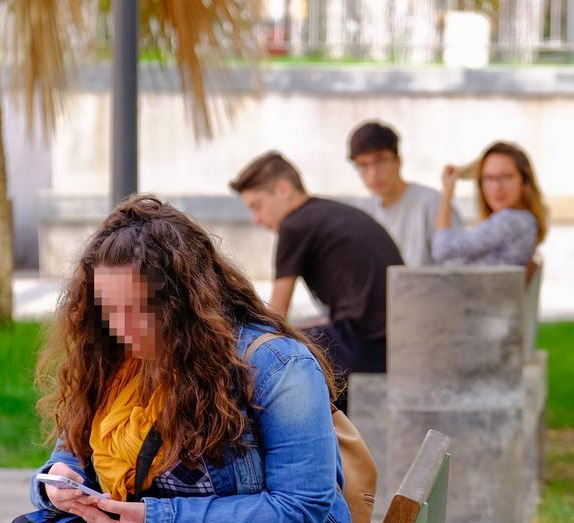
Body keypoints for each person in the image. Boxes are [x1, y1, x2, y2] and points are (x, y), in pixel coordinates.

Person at [0, 195, 359, 523]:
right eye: (109, 310)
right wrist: (59, 479)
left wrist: (152, 520)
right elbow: (74, 448)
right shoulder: (116, 359)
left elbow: (300, 507)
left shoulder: (275, 364)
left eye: (139, 310)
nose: (122, 328)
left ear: (185, 301)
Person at [229, 151, 404, 412]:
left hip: (366, 345)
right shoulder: (324, 213)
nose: (256, 219)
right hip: (393, 340)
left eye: (257, 206)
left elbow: (274, 316)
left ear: (284, 189)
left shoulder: (295, 225)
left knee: (261, 353)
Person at [347, 120, 462, 266]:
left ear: (398, 160)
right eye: (363, 165)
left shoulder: (432, 203)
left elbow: (457, 265)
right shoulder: (363, 212)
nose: (373, 173)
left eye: (380, 160)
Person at [432, 141, 547, 266]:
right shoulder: (527, 221)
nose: (497, 186)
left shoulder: (508, 221)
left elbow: (441, 249)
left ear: (524, 181)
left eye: (506, 177)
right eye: (489, 178)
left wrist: (447, 193)